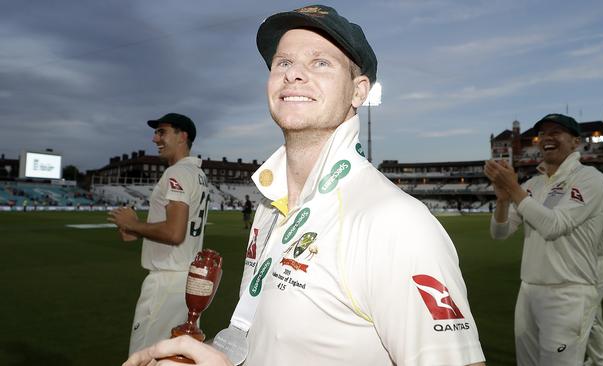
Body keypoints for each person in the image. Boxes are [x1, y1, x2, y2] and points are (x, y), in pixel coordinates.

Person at [125, 4, 485, 366]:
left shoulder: (396, 222)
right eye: (283, 62)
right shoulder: (270, 207)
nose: (294, 74)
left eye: (320, 62)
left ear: (359, 91)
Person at [484, 113, 603, 366]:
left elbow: (554, 225)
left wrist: (514, 189)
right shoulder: (533, 184)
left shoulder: (589, 178)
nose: (548, 138)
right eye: (544, 133)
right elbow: (500, 233)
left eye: (556, 132)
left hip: (568, 292)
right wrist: (502, 199)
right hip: (529, 289)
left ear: (576, 141)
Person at [109, 113, 210, 355]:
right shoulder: (198, 174)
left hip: (167, 280)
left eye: (162, 132)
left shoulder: (176, 173)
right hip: (186, 280)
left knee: (144, 357)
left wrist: (132, 224)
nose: (155, 138)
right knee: (176, 357)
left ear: (182, 136)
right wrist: (134, 229)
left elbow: (175, 233)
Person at [585, 199, 603, 366]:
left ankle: (599, 362)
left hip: (597, 267)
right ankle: (595, 359)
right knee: (594, 316)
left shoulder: (602, 204)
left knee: (590, 316)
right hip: (587, 266)